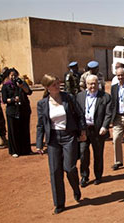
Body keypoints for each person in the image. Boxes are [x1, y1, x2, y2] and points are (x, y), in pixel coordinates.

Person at [36, 74, 86, 214]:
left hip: (68, 136)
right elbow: (40, 125)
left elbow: (79, 114)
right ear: (47, 88)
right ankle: (59, 203)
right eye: (54, 85)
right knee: (55, 171)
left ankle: (76, 189)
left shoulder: (68, 98)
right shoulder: (42, 103)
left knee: (69, 168)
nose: (58, 86)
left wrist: (82, 131)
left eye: (58, 83)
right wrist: (39, 143)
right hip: (53, 139)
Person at [76, 75, 112, 186]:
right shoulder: (79, 97)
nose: (92, 86)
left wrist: (105, 126)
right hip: (84, 130)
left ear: (98, 84)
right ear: (86, 85)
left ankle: (98, 176)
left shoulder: (105, 97)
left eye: (94, 83)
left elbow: (108, 113)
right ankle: (84, 176)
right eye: (90, 84)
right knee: (83, 154)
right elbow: (76, 113)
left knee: (98, 154)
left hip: (98, 131)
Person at [1, 68, 33, 157]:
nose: (14, 77)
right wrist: (12, 99)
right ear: (8, 76)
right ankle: (15, 151)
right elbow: (4, 100)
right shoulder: (6, 86)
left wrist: (22, 86)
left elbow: (29, 92)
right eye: (12, 75)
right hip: (12, 111)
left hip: (24, 110)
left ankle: (26, 149)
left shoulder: (22, 84)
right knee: (14, 131)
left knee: (24, 130)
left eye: (15, 75)